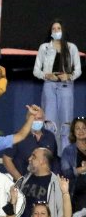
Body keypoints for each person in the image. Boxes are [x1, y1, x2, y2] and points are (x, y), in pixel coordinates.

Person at [34, 21, 80, 155]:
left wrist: (69, 76)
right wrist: (46, 75)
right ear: (50, 31)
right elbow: (36, 71)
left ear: (63, 30)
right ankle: (50, 154)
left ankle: (66, 157)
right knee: (50, 122)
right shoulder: (44, 47)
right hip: (49, 85)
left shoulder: (71, 47)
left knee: (66, 123)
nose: (56, 31)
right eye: (53, 29)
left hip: (66, 85)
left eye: (58, 28)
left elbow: (78, 70)